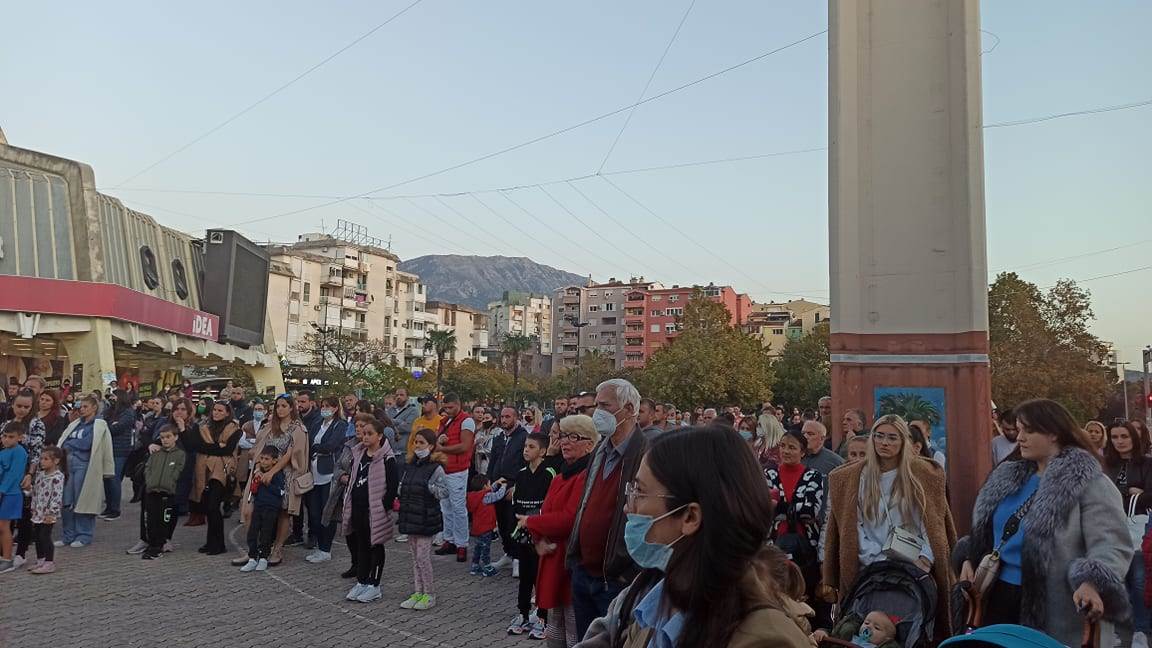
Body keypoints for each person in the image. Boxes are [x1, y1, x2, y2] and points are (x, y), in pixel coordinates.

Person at [577, 426, 811, 648]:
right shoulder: (650, 593)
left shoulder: (765, 639)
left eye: (639, 492)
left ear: (690, 517)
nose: (628, 508)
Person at [961, 399, 1131, 646]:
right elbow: (985, 532)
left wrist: (1092, 583)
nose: (1020, 438)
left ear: (1053, 433)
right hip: (995, 596)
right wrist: (968, 556)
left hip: (1056, 604)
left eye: (1028, 431)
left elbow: (1112, 544)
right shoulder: (1007, 476)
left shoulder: (1090, 483)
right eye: (1019, 430)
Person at [822, 414, 955, 641]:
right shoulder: (853, 477)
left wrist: (925, 558)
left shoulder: (923, 474)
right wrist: (878, 557)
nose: (885, 443)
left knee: (912, 631)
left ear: (904, 441)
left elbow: (932, 524)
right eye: (879, 436)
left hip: (915, 567)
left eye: (892, 438)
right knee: (864, 630)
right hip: (869, 568)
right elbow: (853, 528)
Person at [567, 378, 650, 638]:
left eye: (604, 405)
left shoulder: (645, 454)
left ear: (627, 409)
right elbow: (585, 504)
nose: (597, 413)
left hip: (616, 578)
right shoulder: (600, 449)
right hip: (584, 572)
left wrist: (625, 570)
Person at [524, 414, 598, 647]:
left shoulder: (586, 475)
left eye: (574, 437)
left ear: (590, 444)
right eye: (563, 435)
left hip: (570, 561)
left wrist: (531, 523)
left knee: (573, 627)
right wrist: (538, 537)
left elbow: (569, 519)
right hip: (554, 557)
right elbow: (547, 511)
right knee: (555, 628)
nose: (565, 442)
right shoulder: (562, 475)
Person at [243, 395, 308, 566]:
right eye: (278, 406)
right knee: (251, 510)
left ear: (291, 407)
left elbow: (291, 454)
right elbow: (260, 449)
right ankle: (253, 549)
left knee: (283, 512)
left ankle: (278, 548)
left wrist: (272, 471)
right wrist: (259, 467)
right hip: (263, 471)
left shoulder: (298, 428)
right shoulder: (271, 426)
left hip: (285, 474)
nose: (280, 409)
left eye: (284, 406)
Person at [1104, 420, 1152, 647]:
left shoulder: (1147, 463)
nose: (1120, 441)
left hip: (1140, 528)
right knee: (1114, 580)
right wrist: (1132, 493)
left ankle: (1141, 631)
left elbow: (1150, 496)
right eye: (1115, 437)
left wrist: (1124, 497)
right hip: (1110, 528)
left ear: (1134, 437)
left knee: (1140, 580)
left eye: (1124, 436)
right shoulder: (1105, 464)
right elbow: (1101, 495)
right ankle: (1112, 629)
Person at [340, 417, 398, 603]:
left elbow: (392, 485)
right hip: (358, 507)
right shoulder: (358, 454)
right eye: (363, 433)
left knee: (375, 545)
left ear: (380, 435)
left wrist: (384, 506)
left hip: (375, 510)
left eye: (370, 434)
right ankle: (362, 580)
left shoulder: (387, 458)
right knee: (361, 544)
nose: (365, 437)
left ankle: (375, 584)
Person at [508, 433, 558, 638]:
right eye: (525, 446)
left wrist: (539, 524)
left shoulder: (550, 473)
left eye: (531, 446)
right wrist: (520, 523)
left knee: (541, 577)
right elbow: (516, 501)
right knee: (525, 576)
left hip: (541, 532)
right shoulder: (520, 474)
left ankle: (543, 617)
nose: (526, 450)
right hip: (523, 531)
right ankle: (522, 614)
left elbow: (550, 503)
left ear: (543, 451)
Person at [765, 430, 824, 600]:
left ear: (803, 452)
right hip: (774, 543)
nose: (786, 451)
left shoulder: (813, 476)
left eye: (792, 447)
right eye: (782, 446)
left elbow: (810, 510)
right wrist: (791, 508)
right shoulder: (770, 474)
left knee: (803, 591)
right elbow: (763, 505)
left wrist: (779, 506)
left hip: (805, 545)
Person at [398, 428, 449, 611]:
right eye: (415, 442)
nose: (417, 446)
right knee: (414, 557)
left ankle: (429, 593)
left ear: (431, 446)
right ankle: (417, 591)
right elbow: (403, 485)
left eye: (421, 443)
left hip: (426, 518)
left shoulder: (436, 468)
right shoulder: (410, 465)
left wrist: (429, 488)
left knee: (423, 557)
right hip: (411, 516)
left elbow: (443, 491)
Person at [56, 395, 114, 547]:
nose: (82, 409)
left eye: (85, 406)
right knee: (66, 501)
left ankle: (84, 535)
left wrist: (72, 444)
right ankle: (68, 535)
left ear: (94, 407)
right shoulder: (75, 424)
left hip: (84, 466)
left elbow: (86, 443)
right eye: (81, 407)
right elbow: (64, 441)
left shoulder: (99, 425)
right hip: (68, 465)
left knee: (83, 500)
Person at [189, 401, 240, 556]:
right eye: (214, 410)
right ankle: (210, 542)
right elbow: (197, 446)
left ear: (227, 412)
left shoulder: (234, 429)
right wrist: (218, 447)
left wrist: (213, 449)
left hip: (222, 472)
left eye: (220, 410)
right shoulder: (203, 427)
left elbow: (229, 449)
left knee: (213, 506)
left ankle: (219, 544)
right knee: (208, 508)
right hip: (204, 470)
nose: (216, 413)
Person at [303, 396, 348, 564]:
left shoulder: (340, 425)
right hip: (313, 472)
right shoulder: (316, 424)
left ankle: (325, 548)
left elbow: (331, 445)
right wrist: (315, 448)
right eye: (323, 406)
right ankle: (318, 545)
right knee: (313, 513)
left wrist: (317, 448)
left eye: (328, 406)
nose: (325, 409)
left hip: (328, 473)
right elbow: (309, 443)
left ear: (336, 408)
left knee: (326, 512)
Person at [324, 413, 368, 579]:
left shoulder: (372, 448)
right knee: (348, 531)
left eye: (362, 426)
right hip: (344, 492)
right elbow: (337, 465)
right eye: (356, 426)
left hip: (362, 495)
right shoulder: (348, 445)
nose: (358, 429)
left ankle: (365, 566)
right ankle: (355, 563)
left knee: (360, 532)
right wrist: (342, 475)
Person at [434, 393, 474, 561]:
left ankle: (462, 544)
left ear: (458, 404)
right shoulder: (444, 422)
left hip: (458, 469)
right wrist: (439, 441)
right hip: (444, 468)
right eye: (446, 407)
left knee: (458, 508)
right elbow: (436, 443)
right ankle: (449, 540)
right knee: (446, 507)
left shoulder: (467, 421)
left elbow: (465, 446)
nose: (448, 410)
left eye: (451, 407)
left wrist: (441, 448)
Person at [138, 425, 185, 560]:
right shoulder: (156, 453)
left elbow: (179, 470)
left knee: (163, 521)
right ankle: (152, 545)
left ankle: (159, 546)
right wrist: (150, 481)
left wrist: (171, 481)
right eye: (162, 437)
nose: (165, 440)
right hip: (152, 490)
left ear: (175, 437)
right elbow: (148, 468)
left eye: (168, 437)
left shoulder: (179, 454)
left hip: (167, 492)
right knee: (151, 520)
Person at [489, 405, 528, 571]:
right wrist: (490, 481)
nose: (504, 420)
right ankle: (508, 553)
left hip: (513, 485)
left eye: (508, 417)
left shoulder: (524, 437)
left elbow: (527, 463)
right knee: (502, 522)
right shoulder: (499, 438)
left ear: (516, 417)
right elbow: (493, 461)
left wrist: (518, 486)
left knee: (513, 522)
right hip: (498, 485)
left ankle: (518, 558)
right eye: (502, 417)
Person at [241, 446, 285, 573]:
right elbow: (254, 490)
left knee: (266, 533)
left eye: (267, 459)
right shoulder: (258, 472)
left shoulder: (277, 474)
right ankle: (252, 557)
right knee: (253, 532)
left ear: (275, 461)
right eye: (262, 458)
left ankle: (264, 557)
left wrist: (266, 482)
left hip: (271, 508)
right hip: (259, 506)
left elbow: (280, 492)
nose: (264, 461)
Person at [100, 389, 136, 521]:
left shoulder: (128, 412)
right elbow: (102, 424)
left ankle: (115, 510)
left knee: (114, 479)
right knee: (107, 479)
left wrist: (110, 426)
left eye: (114, 396)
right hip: (108, 448)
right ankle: (108, 507)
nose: (111, 398)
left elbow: (117, 428)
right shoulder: (110, 411)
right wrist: (110, 425)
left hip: (120, 450)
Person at [28, 445, 65, 574]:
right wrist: (32, 506)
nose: (42, 461)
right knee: (37, 536)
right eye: (41, 458)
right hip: (38, 511)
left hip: (48, 513)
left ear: (56, 461)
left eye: (46, 459)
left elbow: (57, 495)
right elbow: (36, 492)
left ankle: (49, 562)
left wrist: (51, 512)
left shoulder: (58, 477)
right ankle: (40, 559)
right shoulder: (40, 475)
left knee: (45, 536)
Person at [0, 422, 29, 571]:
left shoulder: (19, 452)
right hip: (3, 491)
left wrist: (2, 490)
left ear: (19, 438)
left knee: (4, 527)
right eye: (4, 436)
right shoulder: (3, 452)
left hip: (10, 494)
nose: (6, 440)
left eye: (11, 437)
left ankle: (7, 558)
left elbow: (14, 475)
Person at [466, 473, 506, 577]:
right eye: (489, 484)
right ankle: (487, 567)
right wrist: (503, 487)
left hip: (477, 528)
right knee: (485, 549)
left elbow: (488, 490)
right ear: (484, 486)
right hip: (486, 528)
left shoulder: (474, 496)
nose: (490, 486)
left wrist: (496, 483)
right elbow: (498, 496)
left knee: (478, 547)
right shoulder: (485, 497)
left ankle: (475, 566)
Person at [387, 388, 419, 465]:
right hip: (390, 450)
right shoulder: (390, 410)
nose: (398, 397)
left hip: (404, 451)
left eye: (401, 395)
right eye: (397, 395)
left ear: (407, 397)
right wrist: (401, 422)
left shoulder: (413, 411)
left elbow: (408, 427)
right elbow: (386, 425)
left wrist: (393, 421)